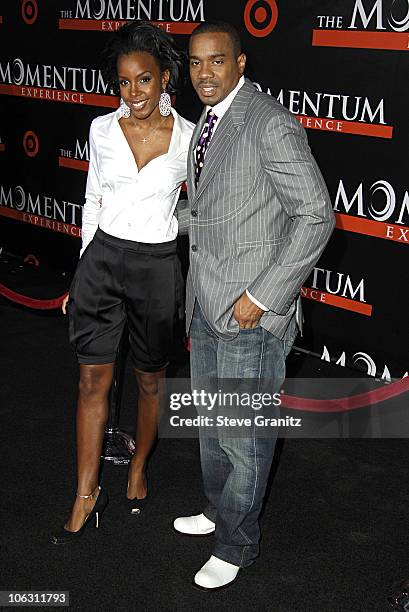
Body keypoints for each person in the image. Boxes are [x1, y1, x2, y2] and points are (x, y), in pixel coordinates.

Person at [173, 21, 335, 590]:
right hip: (207, 305)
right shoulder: (207, 125)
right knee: (213, 426)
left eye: (216, 61)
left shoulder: (270, 123)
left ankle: (237, 546)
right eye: (195, 63)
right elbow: (217, 208)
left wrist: (262, 297)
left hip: (251, 315)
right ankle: (220, 513)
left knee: (243, 436)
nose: (204, 73)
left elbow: (317, 214)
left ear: (241, 63)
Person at [52, 21, 194, 544]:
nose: (133, 92)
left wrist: (163, 228)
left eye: (144, 80)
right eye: (124, 82)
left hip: (157, 267)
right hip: (102, 262)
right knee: (92, 380)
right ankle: (86, 492)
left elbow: (197, 210)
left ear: (165, 79)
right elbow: (93, 200)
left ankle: (137, 466)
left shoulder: (188, 139)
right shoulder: (101, 130)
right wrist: (83, 269)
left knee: (150, 380)